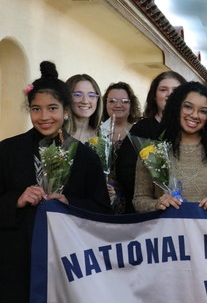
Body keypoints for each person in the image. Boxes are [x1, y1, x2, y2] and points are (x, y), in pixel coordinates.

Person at [0, 61, 112, 303]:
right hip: (16, 262)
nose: (44, 117)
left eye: (52, 108)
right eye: (36, 109)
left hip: (69, 264)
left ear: (66, 111)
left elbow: (104, 212)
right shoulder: (7, 151)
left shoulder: (85, 156)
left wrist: (69, 203)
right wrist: (16, 200)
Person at [133, 81, 207, 211]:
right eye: (188, 107)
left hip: (206, 230)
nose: (194, 115)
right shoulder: (153, 152)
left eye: (203, 111)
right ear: (177, 107)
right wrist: (157, 204)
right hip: (166, 229)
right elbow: (140, 199)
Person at [116, 71, 187, 213]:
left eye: (176, 90)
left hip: (186, 207)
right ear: (154, 96)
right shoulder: (141, 129)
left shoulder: (191, 129)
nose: (169, 94)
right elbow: (124, 170)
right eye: (163, 90)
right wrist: (157, 190)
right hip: (149, 210)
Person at [101, 81, 141, 212]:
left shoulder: (140, 132)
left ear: (131, 104)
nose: (118, 105)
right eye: (112, 101)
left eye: (124, 101)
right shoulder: (97, 132)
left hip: (134, 198)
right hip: (104, 198)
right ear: (104, 103)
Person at [65, 74, 103, 143]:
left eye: (91, 95)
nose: (85, 101)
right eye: (77, 95)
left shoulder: (102, 136)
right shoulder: (57, 133)